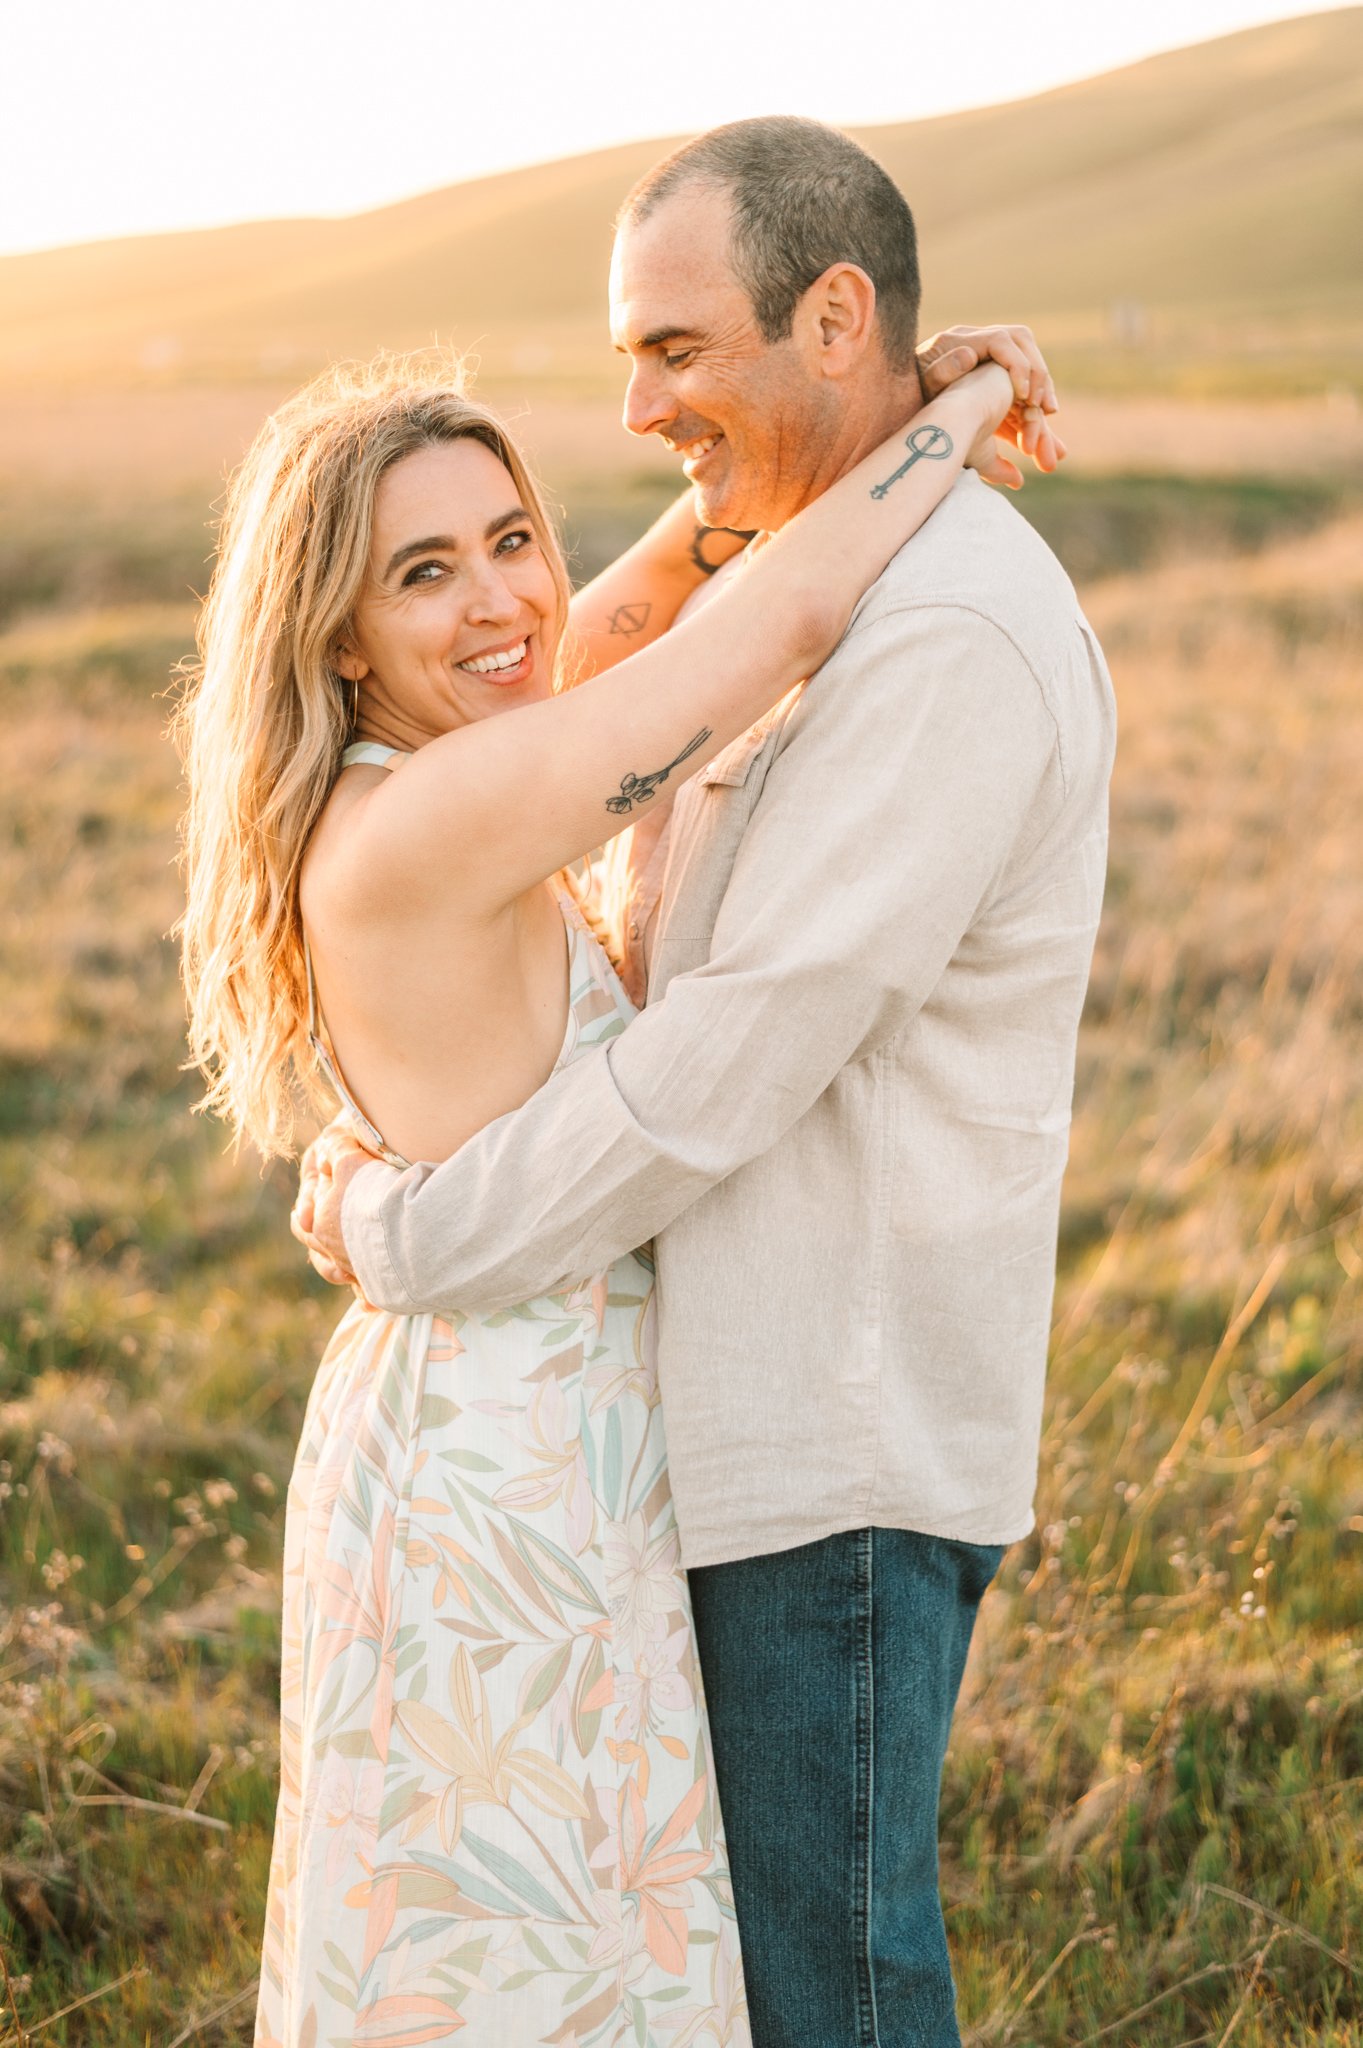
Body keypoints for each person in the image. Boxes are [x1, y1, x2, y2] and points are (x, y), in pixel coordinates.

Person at [297, 117, 1117, 2048]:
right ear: (343, 619)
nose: (642, 409)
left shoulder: (950, 637)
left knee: (823, 1989)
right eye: (432, 565)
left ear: (830, 316)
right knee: (673, 1980)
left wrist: (409, 1222)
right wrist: (943, 398)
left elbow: (706, 1084)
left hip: (819, 1437)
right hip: (642, 1448)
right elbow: (683, 626)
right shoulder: (488, 756)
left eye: (675, 348)